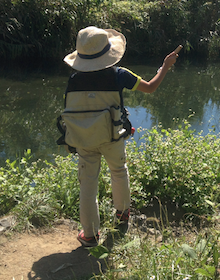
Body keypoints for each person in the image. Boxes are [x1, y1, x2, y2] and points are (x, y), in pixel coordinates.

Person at [61, 26, 179, 247]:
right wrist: (165, 65)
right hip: (112, 136)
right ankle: (122, 215)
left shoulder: (74, 80)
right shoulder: (119, 75)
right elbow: (151, 87)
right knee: (119, 171)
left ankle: (89, 235)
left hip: (84, 140)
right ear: (108, 54)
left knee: (87, 184)